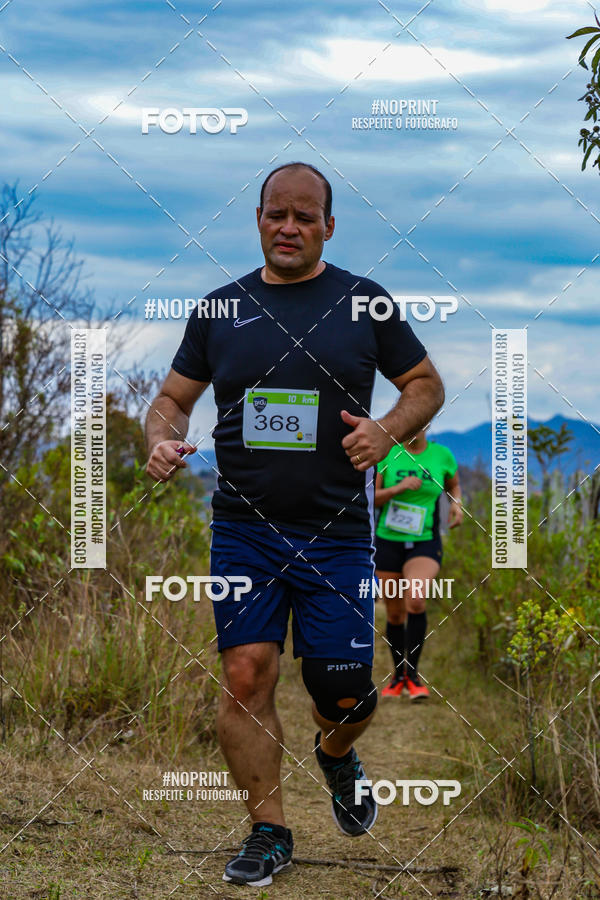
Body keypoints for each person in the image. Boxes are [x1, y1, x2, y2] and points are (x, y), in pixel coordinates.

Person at [145, 162, 444, 888]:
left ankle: (337, 756)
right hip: (244, 529)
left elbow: (426, 386)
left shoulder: (365, 304)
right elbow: (171, 400)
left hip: (337, 534)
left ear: (328, 227)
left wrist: (387, 428)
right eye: (277, 214)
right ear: (258, 219)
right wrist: (160, 437)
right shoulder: (219, 310)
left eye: (305, 217)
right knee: (246, 673)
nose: (289, 227)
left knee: (344, 691)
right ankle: (269, 831)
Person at [374, 428, 462, 700]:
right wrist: (398, 488)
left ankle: (413, 676)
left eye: (419, 424)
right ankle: (398, 675)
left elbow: (454, 485)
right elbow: (372, 498)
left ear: (427, 424)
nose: (414, 430)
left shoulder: (441, 455)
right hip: (389, 541)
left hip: (425, 540)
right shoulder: (387, 453)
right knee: (396, 613)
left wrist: (456, 504)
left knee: (416, 598)